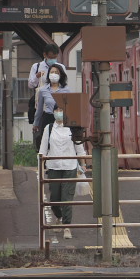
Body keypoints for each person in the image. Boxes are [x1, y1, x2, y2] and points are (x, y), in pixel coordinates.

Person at [39, 103, 86, 240]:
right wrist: (41, 166)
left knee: (67, 198)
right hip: (53, 167)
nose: (59, 112)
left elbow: (79, 149)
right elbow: (42, 150)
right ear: (53, 112)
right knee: (54, 198)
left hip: (69, 167)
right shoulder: (48, 129)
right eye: (57, 110)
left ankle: (67, 226)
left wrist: (83, 165)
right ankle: (59, 217)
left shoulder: (72, 128)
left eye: (61, 110)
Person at [29, 43, 66, 149]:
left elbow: (65, 84)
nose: (53, 60)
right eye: (51, 57)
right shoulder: (36, 67)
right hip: (43, 105)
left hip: (58, 108)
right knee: (43, 136)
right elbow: (30, 84)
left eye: (55, 58)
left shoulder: (61, 67)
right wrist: (37, 77)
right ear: (45, 55)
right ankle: (43, 155)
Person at [33, 64, 69, 151]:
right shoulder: (43, 90)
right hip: (48, 118)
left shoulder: (67, 90)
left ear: (60, 75)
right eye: (52, 72)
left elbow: (69, 107)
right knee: (46, 143)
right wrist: (36, 123)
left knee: (60, 142)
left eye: (56, 72)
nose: (54, 74)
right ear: (48, 74)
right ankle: (45, 163)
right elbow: (40, 108)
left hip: (61, 119)